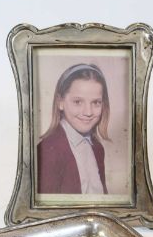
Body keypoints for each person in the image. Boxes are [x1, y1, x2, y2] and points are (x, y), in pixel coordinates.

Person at [37, 63, 111, 194]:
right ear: (60, 102)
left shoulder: (98, 148)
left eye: (96, 102)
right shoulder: (47, 151)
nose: (88, 112)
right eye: (77, 102)